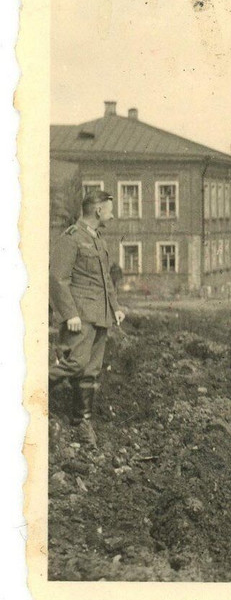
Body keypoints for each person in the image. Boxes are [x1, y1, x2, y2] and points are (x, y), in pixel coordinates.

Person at [49, 189, 124, 444]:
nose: (112, 215)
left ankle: (82, 423)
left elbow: (105, 281)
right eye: (109, 209)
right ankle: (28, 394)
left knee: (91, 370)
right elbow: (58, 279)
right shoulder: (71, 238)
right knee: (75, 364)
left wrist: (116, 308)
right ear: (98, 210)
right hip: (80, 316)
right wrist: (69, 313)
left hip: (100, 315)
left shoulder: (98, 240)